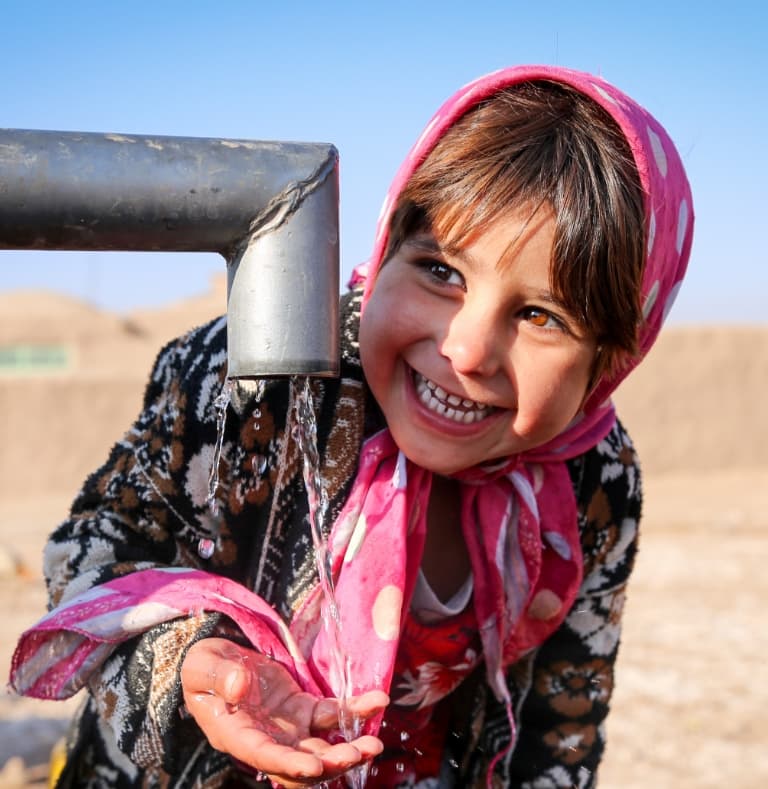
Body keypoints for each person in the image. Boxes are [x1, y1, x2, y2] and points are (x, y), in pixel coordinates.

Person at [10, 64, 693, 789]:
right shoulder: (252, 382)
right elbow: (92, 551)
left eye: (539, 316)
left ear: (613, 359)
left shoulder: (592, 478)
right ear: (390, 235)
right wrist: (188, 658)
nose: (464, 350)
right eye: (441, 271)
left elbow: (562, 727)